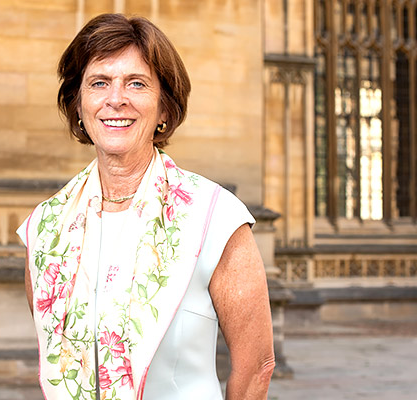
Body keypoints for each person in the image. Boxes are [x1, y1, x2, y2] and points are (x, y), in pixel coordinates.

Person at [17, 13, 275, 400]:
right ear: (78, 105)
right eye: (99, 83)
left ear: (165, 109)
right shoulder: (46, 228)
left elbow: (256, 367)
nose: (115, 99)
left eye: (136, 83)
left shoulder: (215, 217)